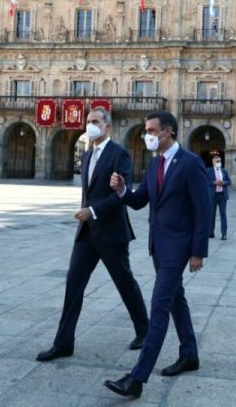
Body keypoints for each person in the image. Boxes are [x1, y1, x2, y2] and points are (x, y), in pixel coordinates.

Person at [104, 111, 212, 399]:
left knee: (160, 308)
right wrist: (122, 190)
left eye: (152, 130)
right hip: (158, 247)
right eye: (146, 130)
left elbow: (204, 208)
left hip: (179, 248)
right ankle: (190, 354)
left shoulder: (190, 163)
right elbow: (140, 201)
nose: (147, 135)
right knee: (177, 301)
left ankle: (137, 378)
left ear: (168, 132)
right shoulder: (154, 166)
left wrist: (198, 251)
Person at [36, 108, 148, 362]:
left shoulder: (120, 154)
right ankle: (63, 343)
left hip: (111, 232)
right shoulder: (86, 156)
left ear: (107, 127)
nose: (90, 126)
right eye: (88, 122)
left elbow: (121, 194)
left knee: (125, 283)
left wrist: (93, 211)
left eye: (95, 122)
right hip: (86, 234)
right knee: (73, 284)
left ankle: (145, 330)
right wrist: (88, 213)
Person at [207, 154, 231, 240]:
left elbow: (229, 181)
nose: (219, 163)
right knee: (211, 214)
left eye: (220, 161)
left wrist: (223, 182)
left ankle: (224, 233)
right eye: (217, 161)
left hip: (222, 195)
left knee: (223, 215)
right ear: (213, 162)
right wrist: (214, 182)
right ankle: (211, 232)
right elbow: (205, 181)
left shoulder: (224, 171)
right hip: (213, 195)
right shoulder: (208, 171)